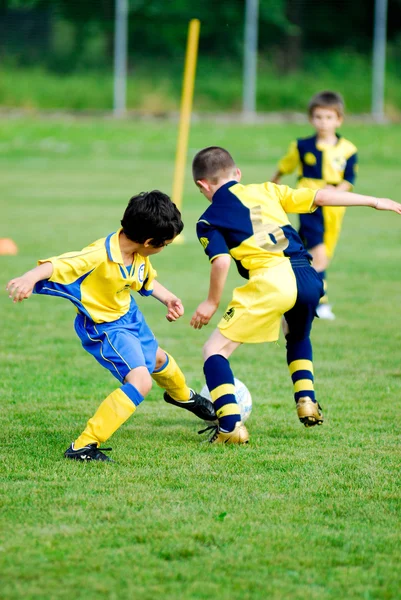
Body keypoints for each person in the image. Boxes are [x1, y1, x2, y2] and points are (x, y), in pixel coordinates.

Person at [190, 146, 401, 445]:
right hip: (307, 276)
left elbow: (222, 261)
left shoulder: (208, 219)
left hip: (270, 280)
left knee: (214, 351)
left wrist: (211, 302)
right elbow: (322, 196)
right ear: (238, 174)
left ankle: (231, 426)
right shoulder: (267, 189)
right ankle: (306, 401)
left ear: (202, 185)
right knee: (297, 334)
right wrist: (376, 201)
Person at [6, 191, 215, 461]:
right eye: (165, 244)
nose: (164, 249)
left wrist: (168, 298)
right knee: (140, 381)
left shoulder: (137, 252)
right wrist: (28, 278)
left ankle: (183, 397)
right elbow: (59, 264)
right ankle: (83, 446)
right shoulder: (97, 256)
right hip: (105, 328)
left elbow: (145, 280)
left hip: (130, 317)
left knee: (159, 358)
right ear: (150, 241)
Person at [271, 91, 358, 320]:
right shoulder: (301, 146)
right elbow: (284, 166)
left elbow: (349, 181)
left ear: (339, 119)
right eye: (318, 117)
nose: (323, 122)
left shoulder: (348, 150)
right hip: (309, 203)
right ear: (311, 118)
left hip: (335, 208)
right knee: (318, 254)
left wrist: (335, 194)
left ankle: (294, 293)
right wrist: (274, 181)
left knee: (316, 254)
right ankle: (321, 302)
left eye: (329, 117)